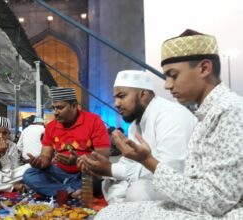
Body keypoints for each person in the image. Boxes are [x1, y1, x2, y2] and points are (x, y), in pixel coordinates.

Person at [95, 30, 243, 219]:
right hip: (196, 201)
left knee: (117, 210)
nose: (167, 85)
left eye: (173, 75)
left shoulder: (230, 111)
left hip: (223, 213)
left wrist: (147, 161)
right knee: (111, 211)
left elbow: (215, 202)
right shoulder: (209, 113)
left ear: (204, 68)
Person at [78, 70, 196, 203]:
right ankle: (124, 209)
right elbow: (127, 164)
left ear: (143, 95)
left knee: (138, 192)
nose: (116, 103)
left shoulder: (170, 115)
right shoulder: (134, 125)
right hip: (150, 179)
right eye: (115, 98)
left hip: (183, 186)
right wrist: (104, 168)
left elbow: (172, 173)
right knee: (109, 183)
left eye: (122, 96)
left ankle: (125, 209)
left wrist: (110, 169)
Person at [23, 87, 111, 198]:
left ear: (74, 106)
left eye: (60, 108)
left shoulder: (94, 121)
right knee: (29, 174)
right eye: (53, 108)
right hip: (59, 172)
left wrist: (77, 161)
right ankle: (71, 191)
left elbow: (103, 156)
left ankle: (62, 190)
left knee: (94, 180)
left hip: (85, 173)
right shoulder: (51, 127)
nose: (55, 112)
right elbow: (45, 156)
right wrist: (39, 163)